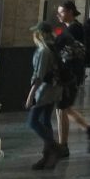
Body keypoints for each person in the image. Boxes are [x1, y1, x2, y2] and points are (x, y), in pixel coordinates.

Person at [55, 0, 90, 156]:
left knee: (63, 108)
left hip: (70, 74)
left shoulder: (74, 29)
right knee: (63, 108)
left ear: (69, 12)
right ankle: (70, 141)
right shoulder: (73, 28)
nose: (58, 15)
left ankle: (68, 143)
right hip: (71, 74)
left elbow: (67, 52)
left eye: (61, 11)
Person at [26, 21, 63, 169]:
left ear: (39, 34)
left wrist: (30, 96)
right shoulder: (54, 47)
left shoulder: (43, 51)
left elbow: (39, 76)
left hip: (46, 91)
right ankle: (48, 157)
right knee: (46, 121)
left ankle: (55, 147)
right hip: (55, 89)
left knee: (33, 121)